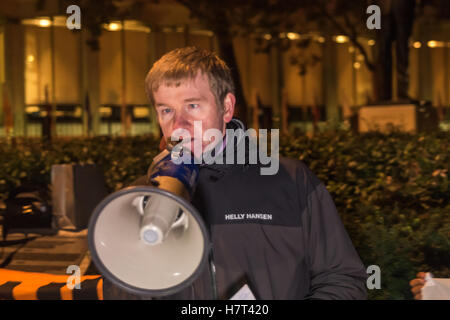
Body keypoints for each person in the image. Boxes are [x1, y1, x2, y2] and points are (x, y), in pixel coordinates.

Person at [102, 47, 368, 300]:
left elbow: (343, 279)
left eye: (192, 106)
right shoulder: (138, 199)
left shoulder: (291, 180)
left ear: (226, 107)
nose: (178, 124)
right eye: (166, 110)